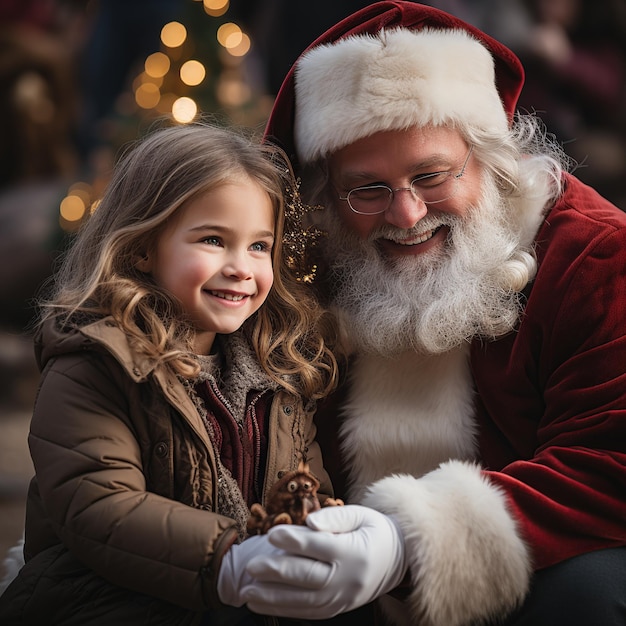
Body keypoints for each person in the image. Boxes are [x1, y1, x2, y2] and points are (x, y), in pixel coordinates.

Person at [220, 2, 626, 626]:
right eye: (367, 188)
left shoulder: (595, 252)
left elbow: (610, 460)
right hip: (339, 583)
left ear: (490, 160)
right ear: (327, 196)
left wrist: (408, 540)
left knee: (593, 592)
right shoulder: (288, 267)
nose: (406, 215)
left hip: (528, 583)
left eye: (432, 174)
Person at [0, 121, 341, 624]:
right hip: (102, 598)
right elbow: (98, 507)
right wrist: (229, 559)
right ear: (142, 246)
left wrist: (324, 538)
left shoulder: (278, 371)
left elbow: (305, 485)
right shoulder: (97, 360)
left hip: (239, 595)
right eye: (212, 239)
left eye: (258, 246)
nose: (241, 267)